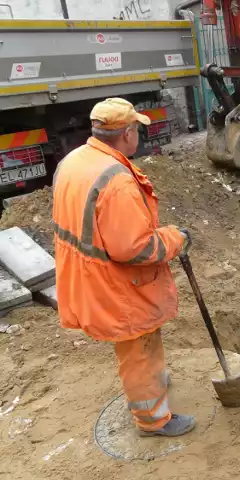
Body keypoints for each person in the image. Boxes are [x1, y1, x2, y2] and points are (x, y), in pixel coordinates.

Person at [52, 98, 196, 436]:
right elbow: (137, 248)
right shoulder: (116, 182)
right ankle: (153, 419)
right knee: (139, 349)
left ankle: (153, 383)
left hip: (86, 273)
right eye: (138, 130)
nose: (140, 137)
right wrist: (175, 238)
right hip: (117, 284)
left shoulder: (74, 161)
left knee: (140, 347)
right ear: (127, 133)